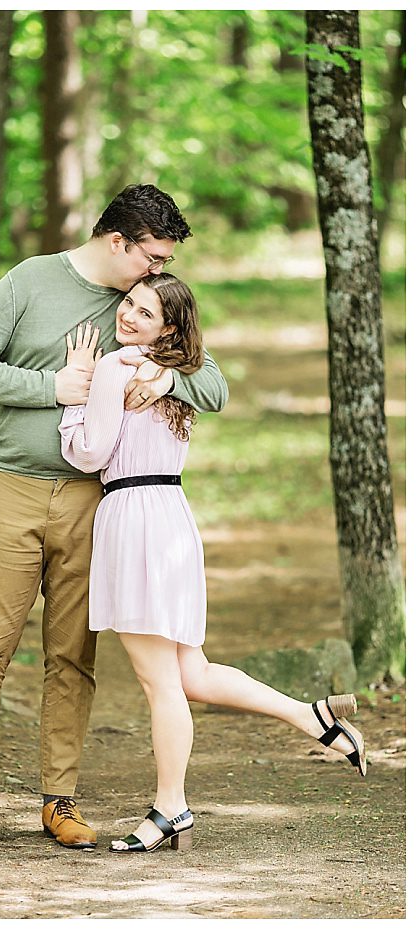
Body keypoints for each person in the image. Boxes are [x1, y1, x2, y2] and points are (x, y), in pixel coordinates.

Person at [0, 185, 229, 849]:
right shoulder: (30, 280)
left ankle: (60, 800)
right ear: (121, 241)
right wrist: (50, 388)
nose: (158, 272)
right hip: (6, 487)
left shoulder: (138, 307)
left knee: (72, 654)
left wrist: (168, 379)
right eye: (153, 256)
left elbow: (212, 379)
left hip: (93, 503)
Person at [56, 275, 365, 853]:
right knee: (191, 674)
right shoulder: (185, 371)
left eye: (143, 313)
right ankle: (312, 717)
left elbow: (90, 452)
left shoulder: (117, 370)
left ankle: (171, 806)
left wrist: (73, 394)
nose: (127, 316)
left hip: (133, 518)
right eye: (128, 304)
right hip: (171, 514)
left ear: (167, 327)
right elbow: (212, 387)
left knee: (159, 682)